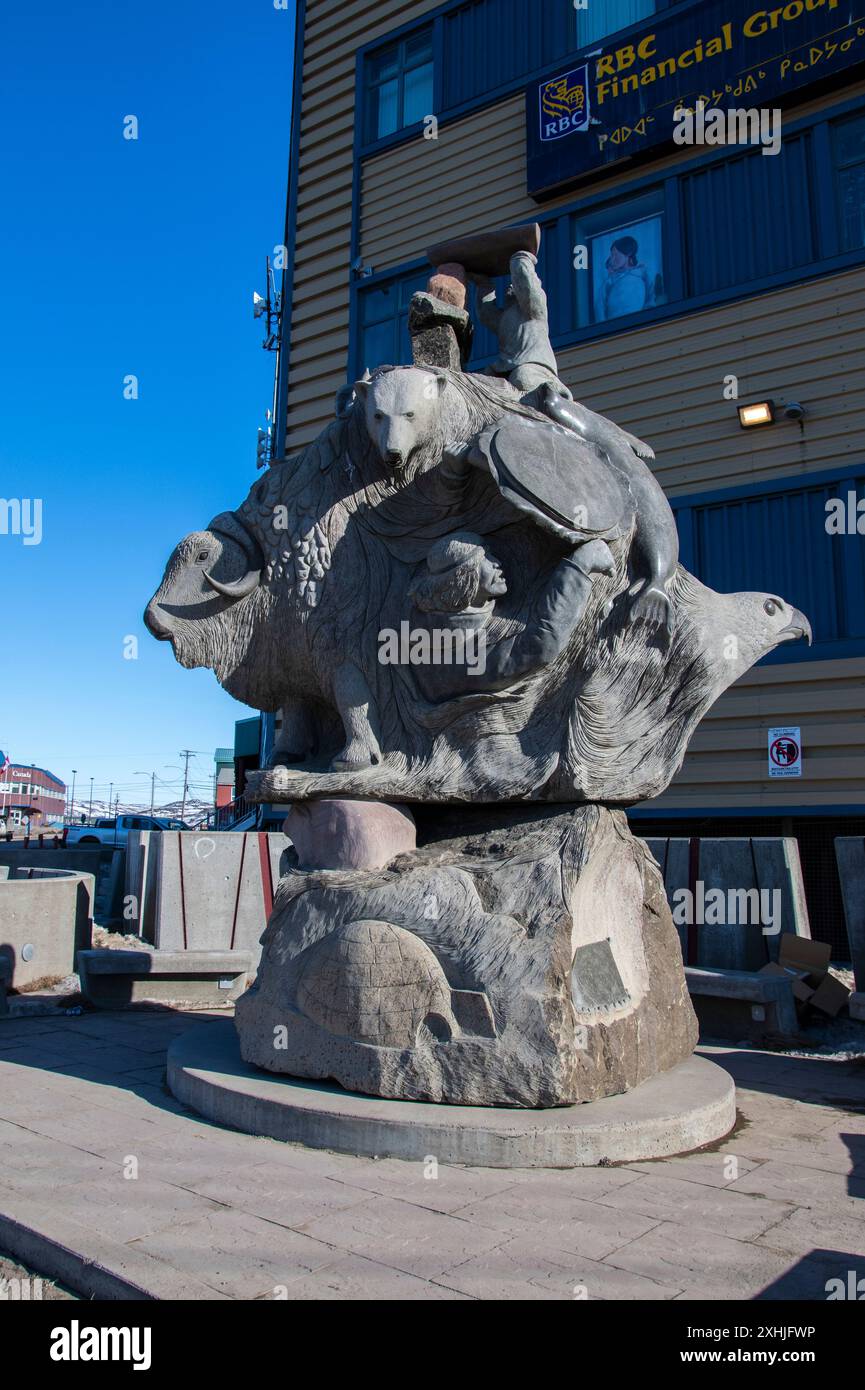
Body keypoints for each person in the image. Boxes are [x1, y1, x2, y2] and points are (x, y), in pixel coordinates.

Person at [472, 251, 572, 400]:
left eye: (514, 285)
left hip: (533, 364)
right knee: (482, 385)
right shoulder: (504, 317)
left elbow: (527, 285)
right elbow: (486, 313)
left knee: (523, 378)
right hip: (506, 366)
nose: (510, 287)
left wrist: (521, 260)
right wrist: (483, 284)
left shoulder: (534, 309)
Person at [595, 235, 655, 322]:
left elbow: (652, 296)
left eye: (615, 254)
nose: (612, 259)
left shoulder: (642, 273)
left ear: (628, 253)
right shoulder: (611, 279)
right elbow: (599, 305)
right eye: (612, 255)